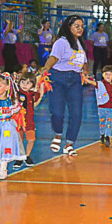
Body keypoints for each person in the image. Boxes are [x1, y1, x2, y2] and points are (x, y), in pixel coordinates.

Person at [40, 16, 88, 156]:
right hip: (58, 78)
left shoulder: (80, 43)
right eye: (76, 26)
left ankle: (69, 143)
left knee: (76, 113)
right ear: (68, 27)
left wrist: (86, 71)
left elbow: (84, 61)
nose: (80, 29)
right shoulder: (61, 42)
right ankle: (58, 133)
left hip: (75, 80)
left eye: (82, 26)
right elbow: (54, 57)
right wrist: (45, 69)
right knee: (57, 111)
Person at [15, 72, 41, 165]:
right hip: (18, 121)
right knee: (19, 140)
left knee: (31, 139)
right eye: (23, 82)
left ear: (32, 85)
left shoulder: (33, 94)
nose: (25, 85)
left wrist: (40, 84)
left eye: (28, 83)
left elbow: (39, 95)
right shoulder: (17, 93)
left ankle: (27, 156)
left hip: (29, 121)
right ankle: (20, 156)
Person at [95, 65, 112, 147]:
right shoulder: (100, 84)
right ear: (103, 75)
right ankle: (102, 134)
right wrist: (86, 79)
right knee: (102, 122)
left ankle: (107, 136)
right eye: (106, 74)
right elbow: (94, 83)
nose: (108, 76)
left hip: (111, 107)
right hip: (102, 107)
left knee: (109, 122)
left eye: (110, 74)